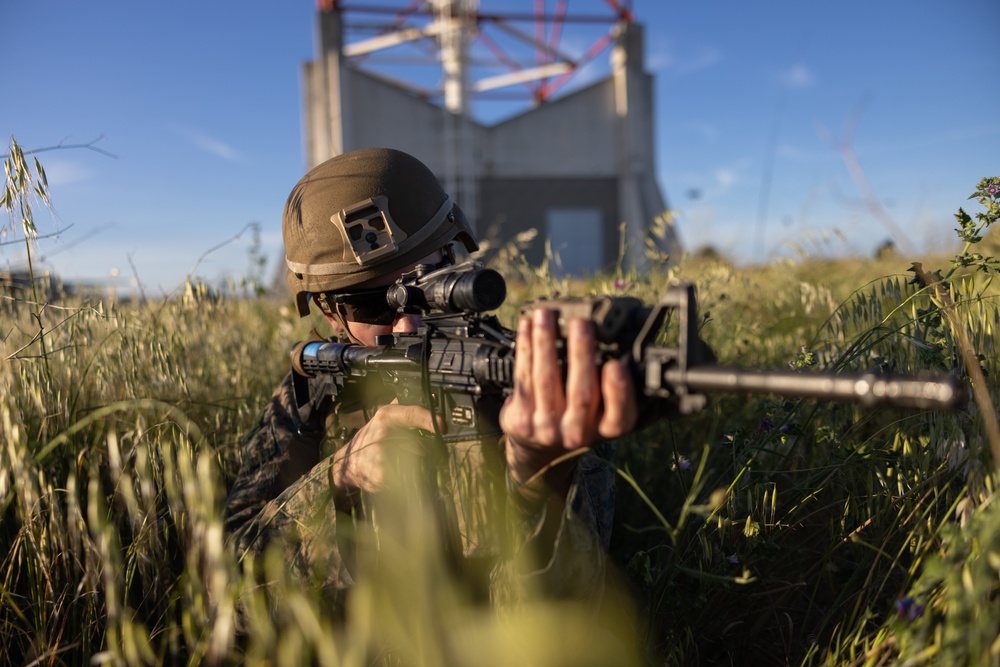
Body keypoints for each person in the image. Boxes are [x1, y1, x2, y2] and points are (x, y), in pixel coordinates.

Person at [224, 147, 639, 612]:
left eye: (431, 283)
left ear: (458, 261)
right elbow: (227, 591)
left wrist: (536, 485)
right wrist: (338, 477)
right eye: (373, 305)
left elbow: (562, 633)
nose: (408, 324)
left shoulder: (535, 383)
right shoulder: (312, 392)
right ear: (329, 311)